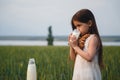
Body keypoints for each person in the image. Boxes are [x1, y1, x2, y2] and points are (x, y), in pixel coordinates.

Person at [68, 9, 103, 80]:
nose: (77, 29)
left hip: (89, 75)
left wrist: (75, 46)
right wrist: (72, 45)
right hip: (79, 75)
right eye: (75, 27)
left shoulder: (93, 38)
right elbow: (72, 58)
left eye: (79, 25)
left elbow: (89, 57)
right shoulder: (80, 40)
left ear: (89, 23)